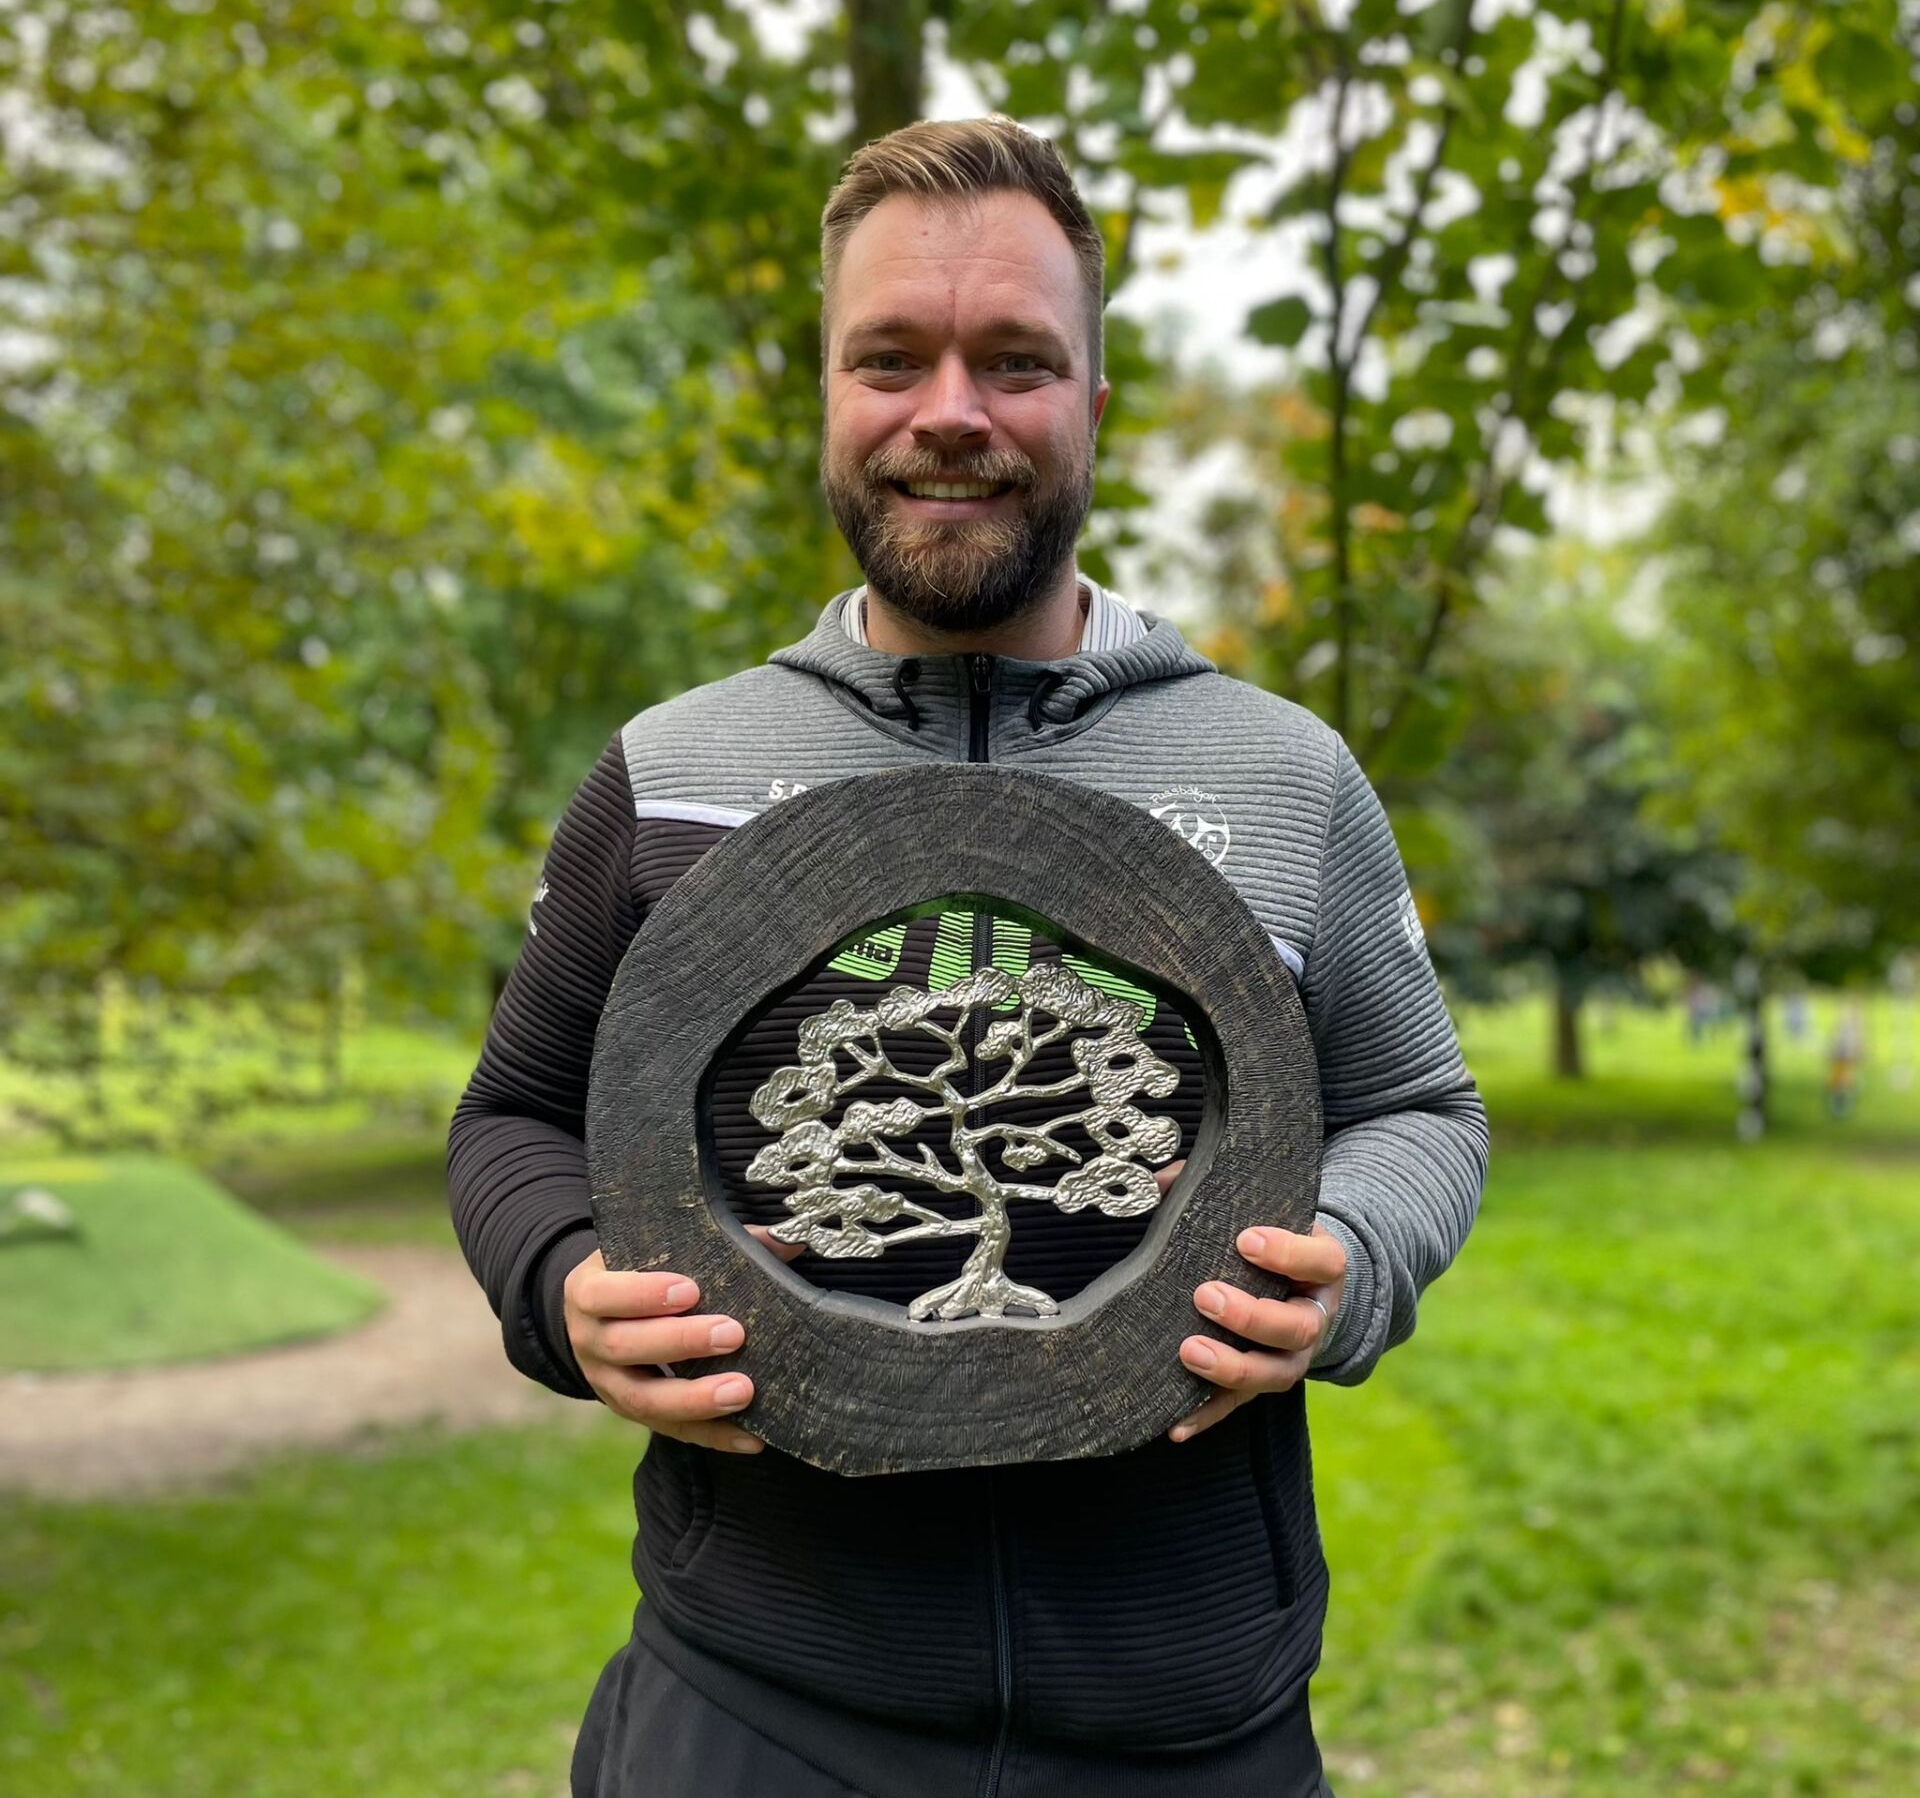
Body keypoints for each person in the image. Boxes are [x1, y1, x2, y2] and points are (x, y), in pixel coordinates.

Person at [448, 116, 1488, 1798]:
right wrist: (561, 1285)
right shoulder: (669, 770)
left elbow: (1422, 1107)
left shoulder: (1283, 772)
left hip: (1186, 1727)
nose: (951, 411)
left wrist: (1353, 1259)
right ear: (828, 394)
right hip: (758, 1709)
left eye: (1016, 360)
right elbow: (511, 1120)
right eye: (891, 358)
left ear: (1094, 400)